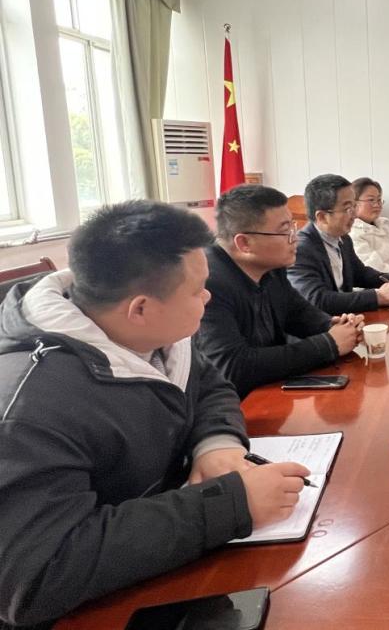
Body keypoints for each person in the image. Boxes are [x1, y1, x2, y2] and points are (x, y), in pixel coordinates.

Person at [0, 201, 308, 627]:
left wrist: (216, 445)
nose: (209, 297)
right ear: (140, 308)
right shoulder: (31, 405)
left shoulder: (155, 333)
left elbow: (210, 386)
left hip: (164, 563)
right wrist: (232, 504)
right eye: (198, 290)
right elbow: (34, 577)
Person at [197, 185, 362, 399]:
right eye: (285, 231)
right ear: (244, 243)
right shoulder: (207, 284)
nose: (295, 237)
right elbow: (233, 367)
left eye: (293, 227)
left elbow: (297, 312)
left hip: (272, 391)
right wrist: (328, 344)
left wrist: (334, 326)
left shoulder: (271, 266)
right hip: (237, 406)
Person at [288, 174, 389, 315]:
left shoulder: (343, 239)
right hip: (324, 324)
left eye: (354, 206)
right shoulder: (300, 249)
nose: (354, 215)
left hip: (347, 319)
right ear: (322, 217)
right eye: (347, 209)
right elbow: (317, 300)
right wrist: (377, 297)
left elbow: (360, 274)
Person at [349, 177, 389, 273]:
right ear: (354, 203)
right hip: (376, 280)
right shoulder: (352, 232)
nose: (377, 205)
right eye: (371, 200)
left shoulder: (383, 225)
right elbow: (370, 264)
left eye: (379, 200)